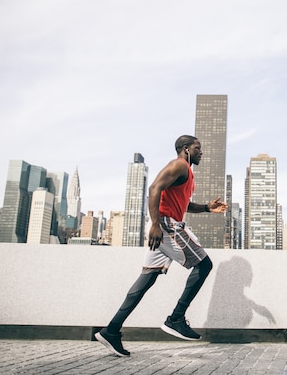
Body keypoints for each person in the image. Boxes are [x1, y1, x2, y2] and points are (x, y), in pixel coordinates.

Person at [96, 135, 228, 357]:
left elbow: (184, 204)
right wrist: (156, 224)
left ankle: (111, 330)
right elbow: (154, 188)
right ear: (186, 149)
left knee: (147, 279)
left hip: (165, 224)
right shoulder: (179, 165)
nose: (201, 152)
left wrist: (206, 207)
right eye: (198, 148)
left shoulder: (186, 172)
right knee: (204, 265)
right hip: (166, 225)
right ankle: (176, 318)